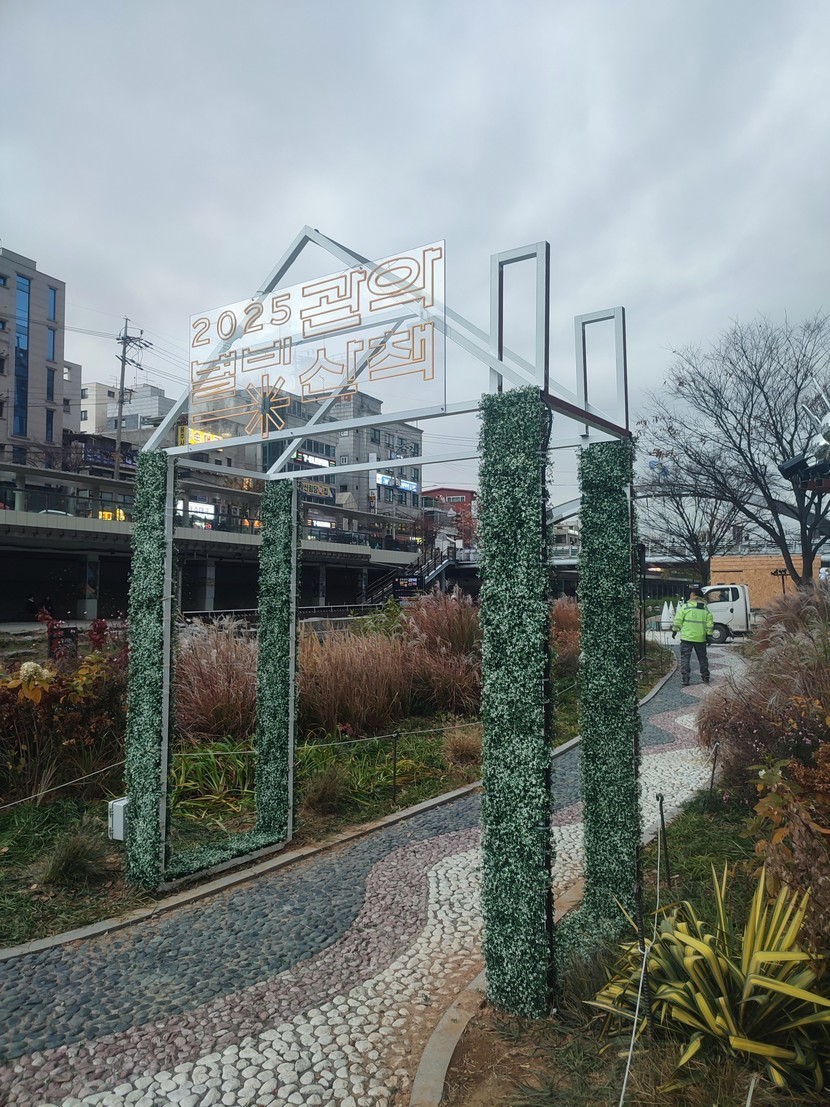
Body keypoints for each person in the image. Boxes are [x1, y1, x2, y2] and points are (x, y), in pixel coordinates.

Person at [671, 588, 714, 687]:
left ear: (693, 595)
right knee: (702, 658)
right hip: (701, 638)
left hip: (687, 638)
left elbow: (678, 620)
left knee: (685, 658)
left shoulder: (685, 607)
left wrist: (674, 630)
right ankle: (705, 677)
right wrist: (709, 635)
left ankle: (685, 678)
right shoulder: (705, 609)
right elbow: (710, 624)